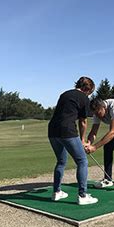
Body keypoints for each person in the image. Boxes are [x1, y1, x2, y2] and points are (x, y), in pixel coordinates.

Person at [47, 77, 98, 205]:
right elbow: (83, 121)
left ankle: (57, 192)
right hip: (67, 131)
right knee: (82, 161)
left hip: (52, 130)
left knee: (61, 161)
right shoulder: (84, 98)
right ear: (88, 89)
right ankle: (82, 195)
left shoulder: (64, 94)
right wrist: (82, 139)